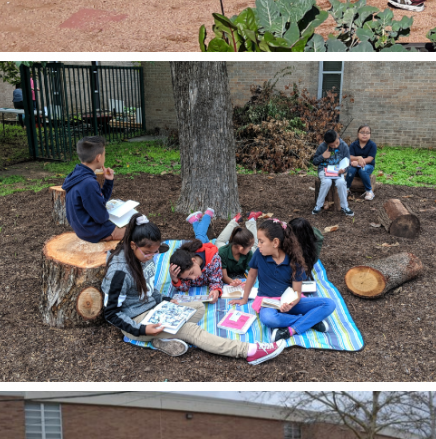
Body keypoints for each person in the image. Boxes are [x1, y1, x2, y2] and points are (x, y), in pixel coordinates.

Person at [103, 214, 284, 365]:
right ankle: (249, 351)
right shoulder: (119, 271)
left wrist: (166, 301)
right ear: (133, 245)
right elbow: (111, 312)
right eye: (148, 252)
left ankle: (161, 339)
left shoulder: (144, 257)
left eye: (156, 251)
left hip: (155, 311)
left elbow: (150, 288)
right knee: (191, 331)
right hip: (136, 320)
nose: (152, 256)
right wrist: (142, 330)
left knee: (198, 307)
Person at [235, 218, 336, 341]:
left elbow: (296, 292)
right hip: (268, 302)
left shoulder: (295, 260)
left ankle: (291, 330)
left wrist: (290, 304)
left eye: (261, 241)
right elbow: (251, 276)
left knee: (329, 304)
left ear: (275, 242)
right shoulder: (259, 254)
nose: (258, 245)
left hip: (289, 303)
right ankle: (310, 321)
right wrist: (244, 298)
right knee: (268, 318)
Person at [62, 136, 127, 243]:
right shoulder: (89, 183)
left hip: (83, 228)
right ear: (98, 157)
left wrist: (108, 182)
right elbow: (101, 218)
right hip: (93, 232)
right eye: (104, 155)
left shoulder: (77, 175)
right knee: (137, 232)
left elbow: (99, 201)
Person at [311, 130, 353, 216]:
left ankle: (345, 207)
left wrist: (344, 169)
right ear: (326, 142)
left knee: (341, 182)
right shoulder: (322, 147)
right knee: (327, 182)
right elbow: (314, 161)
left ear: (338, 137)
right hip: (324, 169)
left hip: (338, 170)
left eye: (336, 143)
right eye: (331, 145)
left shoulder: (344, 145)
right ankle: (318, 205)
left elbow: (348, 162)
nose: (334, 146)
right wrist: (323, 156)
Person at [346, 125, 377, 201]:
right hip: (354, 165)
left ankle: (369, 190)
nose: (365, 134)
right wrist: (358, 159)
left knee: (362, 170)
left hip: (367, 166)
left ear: (370, 135)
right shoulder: (353, 145)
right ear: (358, 134)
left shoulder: (372, 145)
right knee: (351, 170)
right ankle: (346, 188)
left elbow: (370, 159)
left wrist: (359, 162)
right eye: (362, 132)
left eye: (367, 133)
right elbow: (350, 157)